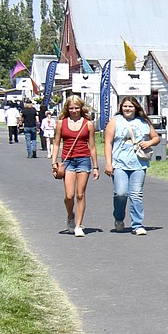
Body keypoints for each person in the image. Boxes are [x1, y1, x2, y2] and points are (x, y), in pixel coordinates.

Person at [104, 95, 161, 235]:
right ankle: (119, 218)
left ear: (136, 108)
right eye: (125, 106)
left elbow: (156, 137)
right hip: (119, 163)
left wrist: (149, 143)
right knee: (121, 193)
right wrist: (108, 163)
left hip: (138, 163)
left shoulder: (143, 122)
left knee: (136, 194)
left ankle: (137, 225)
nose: (127, 109)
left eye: (130, 106)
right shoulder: (115, 121)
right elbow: (108, 142)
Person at [52, 94, 99, 237]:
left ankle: (79, 225)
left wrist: (96, 166)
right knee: (69, 195)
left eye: (77, 108)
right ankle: (70, 216)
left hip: (83, 159)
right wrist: (54, 161)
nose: (74, 111)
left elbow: (92, 146)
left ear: (81, 108)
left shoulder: (88, 124)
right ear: (67, 109)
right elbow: (56, 143)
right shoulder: (61, 123)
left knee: (80, 194)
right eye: (71, 108)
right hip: (67, 161)